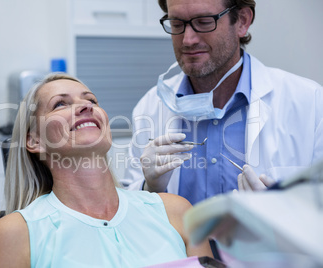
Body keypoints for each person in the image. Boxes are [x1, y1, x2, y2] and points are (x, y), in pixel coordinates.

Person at [0, 73, 212, 267]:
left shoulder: (175, 211)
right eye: (60, 104)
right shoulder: (16, 234)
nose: (85, 106)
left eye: (91, 99)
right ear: (34, 141)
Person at [124, 0, 323, 205]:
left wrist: (282, 215)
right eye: (176, 24)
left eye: (203, 22)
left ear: (242, 21)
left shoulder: (311, 104)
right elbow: (128, 210)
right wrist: (149, 188)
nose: (187, 40)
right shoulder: (150, 106)